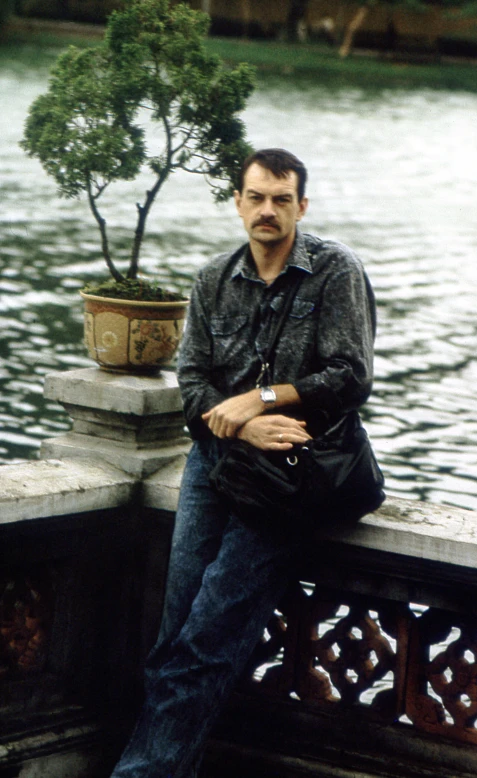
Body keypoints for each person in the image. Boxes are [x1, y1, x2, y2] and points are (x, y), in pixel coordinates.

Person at [110, 148, 377, 778]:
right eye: (256, 197)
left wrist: (260, 401)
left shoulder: (334, 271)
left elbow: (350, 375)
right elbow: (193, 384)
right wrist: (239, 424)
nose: (267, 210)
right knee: (177, 630)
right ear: (237, 201)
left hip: (289, 474)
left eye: (281, 199)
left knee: (210, 633)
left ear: (301, 206)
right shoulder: (211, 280)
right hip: (214, 461)